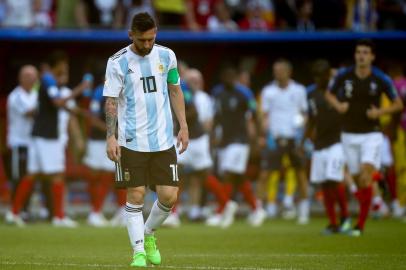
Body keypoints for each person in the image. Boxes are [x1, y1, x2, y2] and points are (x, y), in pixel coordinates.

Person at [103, 12, 188, 267]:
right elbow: (111, 101)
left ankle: (148, 234)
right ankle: (138, 251)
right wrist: (111, 136)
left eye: (151, 39)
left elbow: (175, 90)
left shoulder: (167, 56)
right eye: (141, 40)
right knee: (136, 194)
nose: (147, 45)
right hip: (131, 140)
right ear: (131, 35)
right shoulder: (117, 61)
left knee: (169, 196)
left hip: (163, 139)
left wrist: (183, 125)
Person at [326, 39, 403, 236]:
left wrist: (380, 112)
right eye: (359, 52)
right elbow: (329, 94)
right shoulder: (345, 76)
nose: (361, 56)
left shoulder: (380, 79)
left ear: (372, 57)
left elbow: (398, 104)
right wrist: (339, 106)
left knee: (365, 173)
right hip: (349, 134)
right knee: (359, 179)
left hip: (371, 134)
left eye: (366, 52)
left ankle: (359, 226)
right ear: (355, 55)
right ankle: (376, 194)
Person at [10, 51, 88, 227]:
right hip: (47, 136)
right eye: (64, 65)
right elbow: (57, 103)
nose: (65, 68)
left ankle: (14, 213)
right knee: (57, 175)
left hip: (39, 135)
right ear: (58, 64)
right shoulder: (48, 80)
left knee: (31, 174)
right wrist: (79, 90)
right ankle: (59, 217)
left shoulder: (47, 81)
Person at [258, 58, 310, 224]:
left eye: (281, 71)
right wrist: (265, 133)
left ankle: (303, 210)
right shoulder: (268, 91)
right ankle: (259, 209)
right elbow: (264, 116)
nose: (278, 74)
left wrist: (301, 125)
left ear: (289, 72)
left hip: (294, 138)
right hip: (275, 138)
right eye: (276, 71)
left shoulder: (299, 90)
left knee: (300, 173)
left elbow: (305, 113)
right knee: (266, 173)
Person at [306, 59, 350, 234]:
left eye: (321, 76)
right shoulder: (311, 95)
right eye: (315, 77)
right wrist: (304, 140)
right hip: (319, 144)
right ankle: (333, 223)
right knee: (324, 184)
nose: (318, 80)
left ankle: (345, 217)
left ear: (328, 75)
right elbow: (311, 120)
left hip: (337, 142)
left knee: (335, 179)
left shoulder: (339, 92)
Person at [4, 65, 38, 224]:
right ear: (21, 78)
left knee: (29, 178)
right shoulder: (16, 96)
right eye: (28, 75)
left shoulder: (35, 94)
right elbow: (29, 112)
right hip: (18, 143)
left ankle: (24, 210)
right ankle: (13, 211)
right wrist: (46, 106)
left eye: (33, 75)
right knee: (18, 178)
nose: (31, 78)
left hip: (32, 143)